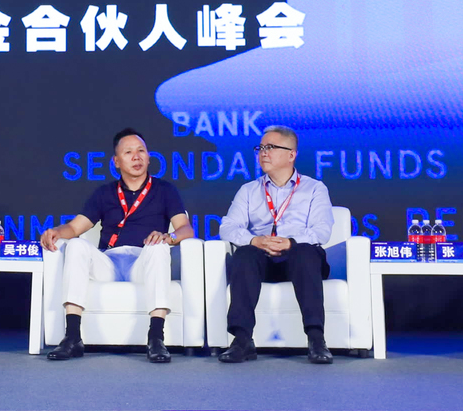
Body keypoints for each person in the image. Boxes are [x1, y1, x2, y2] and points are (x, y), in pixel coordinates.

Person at [39, 127, 193, 364]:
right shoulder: (105, 193)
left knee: (158, 247)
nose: (136, 157)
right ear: (116, 162)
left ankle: (156, 338)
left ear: (149, 157)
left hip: (143, 262)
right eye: (128, 152)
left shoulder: (165, 190)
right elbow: (75, 228)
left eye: (141, 151)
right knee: (76, 245)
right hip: (109, 262)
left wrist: (168, 237)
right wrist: (57, 232)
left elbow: (186, 229)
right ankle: (72, 338)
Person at [216, 125, 336, 364]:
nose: (263, 153)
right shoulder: (249, 190)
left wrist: (290, 243)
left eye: (270, 147)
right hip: (263, 260)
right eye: (260, 148)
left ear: (291, 155)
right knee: (245, 254)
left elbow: (322, 231)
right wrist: (255, 240)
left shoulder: (314, 188)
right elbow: (227, 227)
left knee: (305, 252)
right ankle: (242, 340)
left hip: (299, 259)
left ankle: (316, 339)